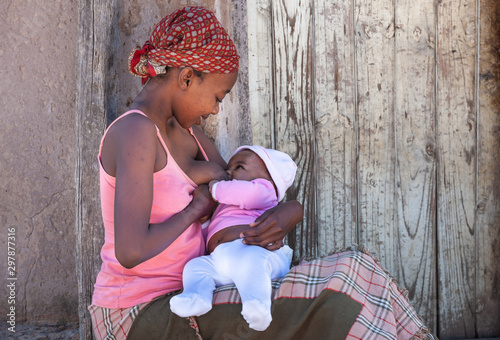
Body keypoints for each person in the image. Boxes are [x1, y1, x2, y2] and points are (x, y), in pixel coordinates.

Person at [88, 6, 303, 340]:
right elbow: (129, 252)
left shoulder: (189, 133)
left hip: (194, 292)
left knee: (340, 279)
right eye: (217, 97)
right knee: (320, 303)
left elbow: (238, 189)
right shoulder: (136, 132)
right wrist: (194, 211)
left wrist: (291, 210)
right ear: (187, 78)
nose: (215, 109)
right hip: (135, 310)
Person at [170, 145, 297, 331]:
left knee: (252, 264)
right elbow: (213, 232)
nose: (228, 172)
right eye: (228, 168)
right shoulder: (226, 205)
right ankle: (196, 297)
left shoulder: (265, 192)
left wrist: (216, 188)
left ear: (270, 178)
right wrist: (205, 221)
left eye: (239, 167)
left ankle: (257, 306)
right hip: (220, 259)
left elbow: (247, 193)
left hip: (254, 251)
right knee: (195, 267)